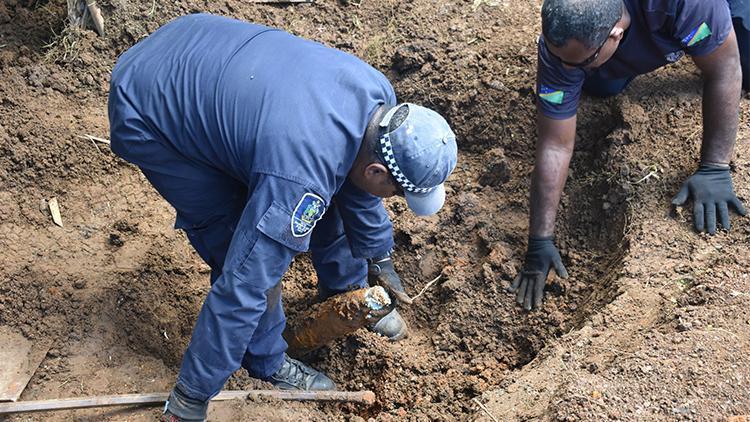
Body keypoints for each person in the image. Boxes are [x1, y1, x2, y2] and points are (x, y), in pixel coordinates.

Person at [107, 14, 458, 421]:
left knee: (324, 188)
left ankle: (344, 290)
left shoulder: (377, 97)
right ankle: (267, 360)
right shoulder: (300, 175)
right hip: (149, 110)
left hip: (195, 44)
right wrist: (191, 396)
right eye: (398, 193)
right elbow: (246, 283)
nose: (393, 199)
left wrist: (377, 253)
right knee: (235, 234)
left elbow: (353, 181)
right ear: (379, 173)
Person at [512, 0, 748, 311]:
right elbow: (555, 144)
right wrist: (540, 239)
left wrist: (715, 166)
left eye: (580, 61)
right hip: (636, 26)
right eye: (560, 58)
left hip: (696, 8)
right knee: (599, 84)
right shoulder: (566, 40)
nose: (566, 69)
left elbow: (725, 67)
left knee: (742, 56)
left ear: (615, 34)